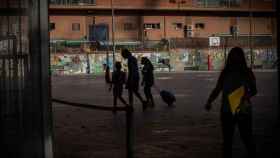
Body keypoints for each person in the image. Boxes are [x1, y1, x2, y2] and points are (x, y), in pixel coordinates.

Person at [205, 47, 257, 158]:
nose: (235, 59)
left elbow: (254, 90)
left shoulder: (247, 72)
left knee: (247, 138)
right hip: (227, 110)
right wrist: (209, 101)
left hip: (243, 109)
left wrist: (245, 96)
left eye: (237, 56)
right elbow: (218, 89)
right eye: (233, 56)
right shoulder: (225, 73)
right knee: (228, 141)